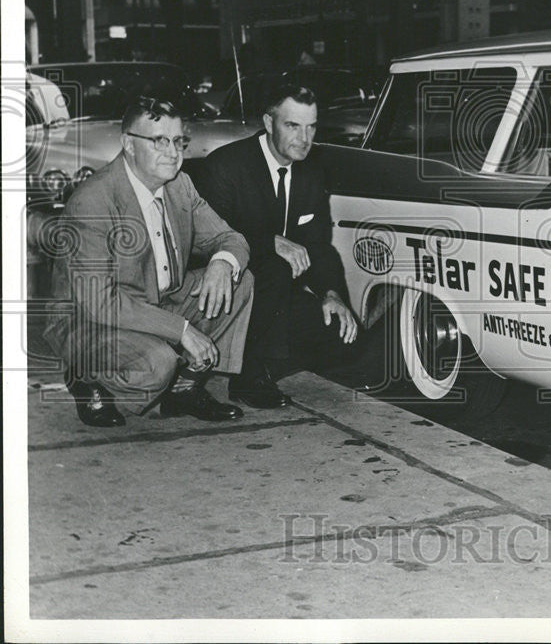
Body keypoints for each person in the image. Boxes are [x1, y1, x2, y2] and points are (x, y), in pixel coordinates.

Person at [44, 97, 254, 427]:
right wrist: (182, 331)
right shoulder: (92, 200)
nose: (173, 152)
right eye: (159, 141)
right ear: (128, 144)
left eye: (178, 141)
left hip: (159, 298)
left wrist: (222, 264)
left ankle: (184, 389)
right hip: (91, 320)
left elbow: (231, 239)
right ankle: (85, 375)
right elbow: (100, 302)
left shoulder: (179, 185)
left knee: (240, 281)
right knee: (157, 365)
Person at [197, 84, 358, 409]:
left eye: (311, 126)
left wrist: (332, 295)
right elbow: (206, 242)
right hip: (222, 286)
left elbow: (318, 246)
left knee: (341, 336)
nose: (304, 138)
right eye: (293, 125)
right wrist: (269, 242)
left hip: (276, 287)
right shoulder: (227, 166)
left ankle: (265, 354)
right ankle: (248, 375)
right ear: (269, 123)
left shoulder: (311, 170)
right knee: (274, 266)